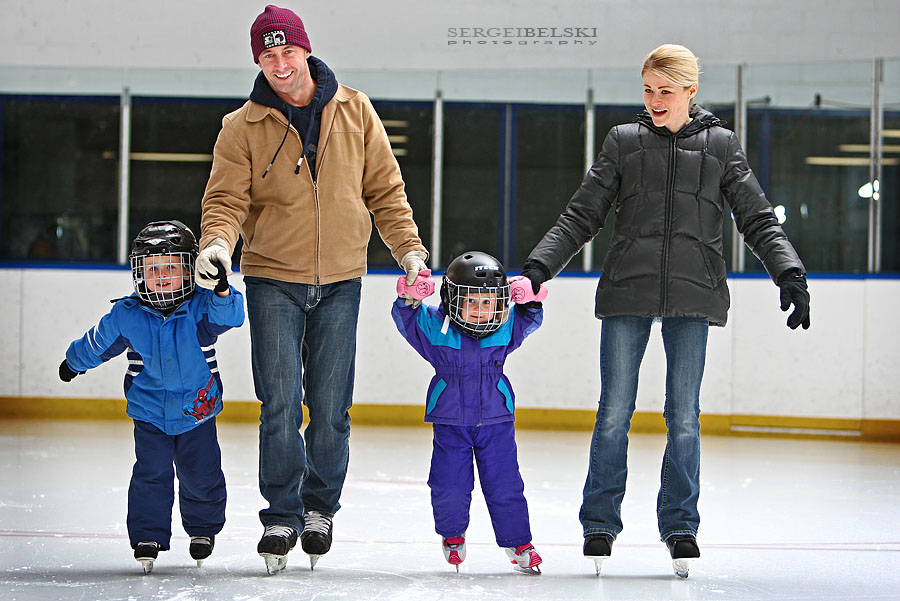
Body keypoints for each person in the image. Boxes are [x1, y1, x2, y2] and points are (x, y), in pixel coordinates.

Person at [520, 44, 811, 579]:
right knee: (614, 411)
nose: (655, 100)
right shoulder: (624, 141)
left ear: (690, 92)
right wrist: (539, 268)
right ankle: (599, 522)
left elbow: (756, 217)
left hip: (694, 293)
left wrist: (789, 272)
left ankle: (680, 525)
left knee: (684, 417)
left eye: (666, 91)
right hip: (627, 290)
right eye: (648, 90)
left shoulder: (721, 145)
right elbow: (582, 214)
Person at [195, 5, 428, 573]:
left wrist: (409, 250)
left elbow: (386, 191)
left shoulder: (355, 109)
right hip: (272, 277)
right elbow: (226, 200)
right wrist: (217, 244)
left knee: (330, 408)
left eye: (287, 52)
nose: (280, 64)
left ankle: (320, 509)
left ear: (305, 50)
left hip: (342, 279)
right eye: (268, 56)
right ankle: (281, 514)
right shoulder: (240, 126)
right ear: (258, 61)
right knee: (279, 404)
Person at [58, 220, 244, 574]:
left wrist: (221, 287)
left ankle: (202, 529)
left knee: (202, 474)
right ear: (138, 272)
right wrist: (73, 362)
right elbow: (97, 342)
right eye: (152, 269)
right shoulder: (127, 314)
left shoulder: (201, 307)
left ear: (189, 270)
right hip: (149, 413)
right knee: (150, 474)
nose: (161, 277)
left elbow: (232, 316)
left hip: (197, 411)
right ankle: (147, 535)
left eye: (170, 268)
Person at [391, 251, 547, 574]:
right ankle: (452, 535)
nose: (480, 309)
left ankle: (519, 542)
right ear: (452, 299)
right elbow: (409, 321)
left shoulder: (505, 328)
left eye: (487, 302)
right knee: (449, 482)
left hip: (496, 420)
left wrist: (530, 300)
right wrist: (409, 298)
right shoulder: (438, 329)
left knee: (505, 483)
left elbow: (528, 319)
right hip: (450, 421)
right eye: (471, 301)